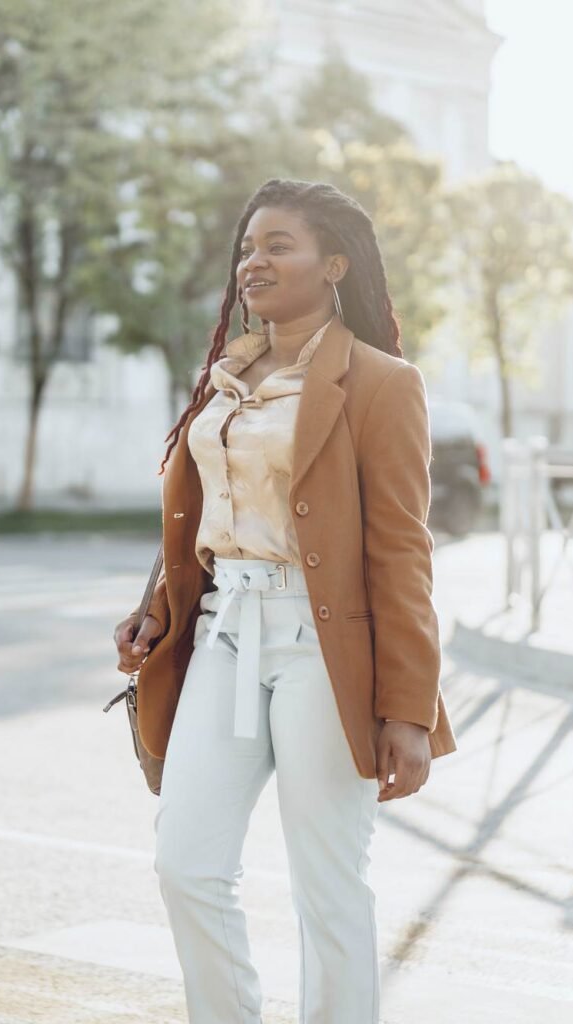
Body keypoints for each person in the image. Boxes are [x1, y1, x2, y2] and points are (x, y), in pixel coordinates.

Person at [112, 178, 457, 1024]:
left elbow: (402, 549)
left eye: (278, 246)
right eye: (247, 248)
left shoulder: (381, 383)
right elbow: (208, 508)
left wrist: (408, 708)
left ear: (335, 265)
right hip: (223, 631)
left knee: (328, 886)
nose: (252, 263)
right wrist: (157, 602)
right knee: (186, 865)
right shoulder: (224, 374)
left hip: (322, 644)